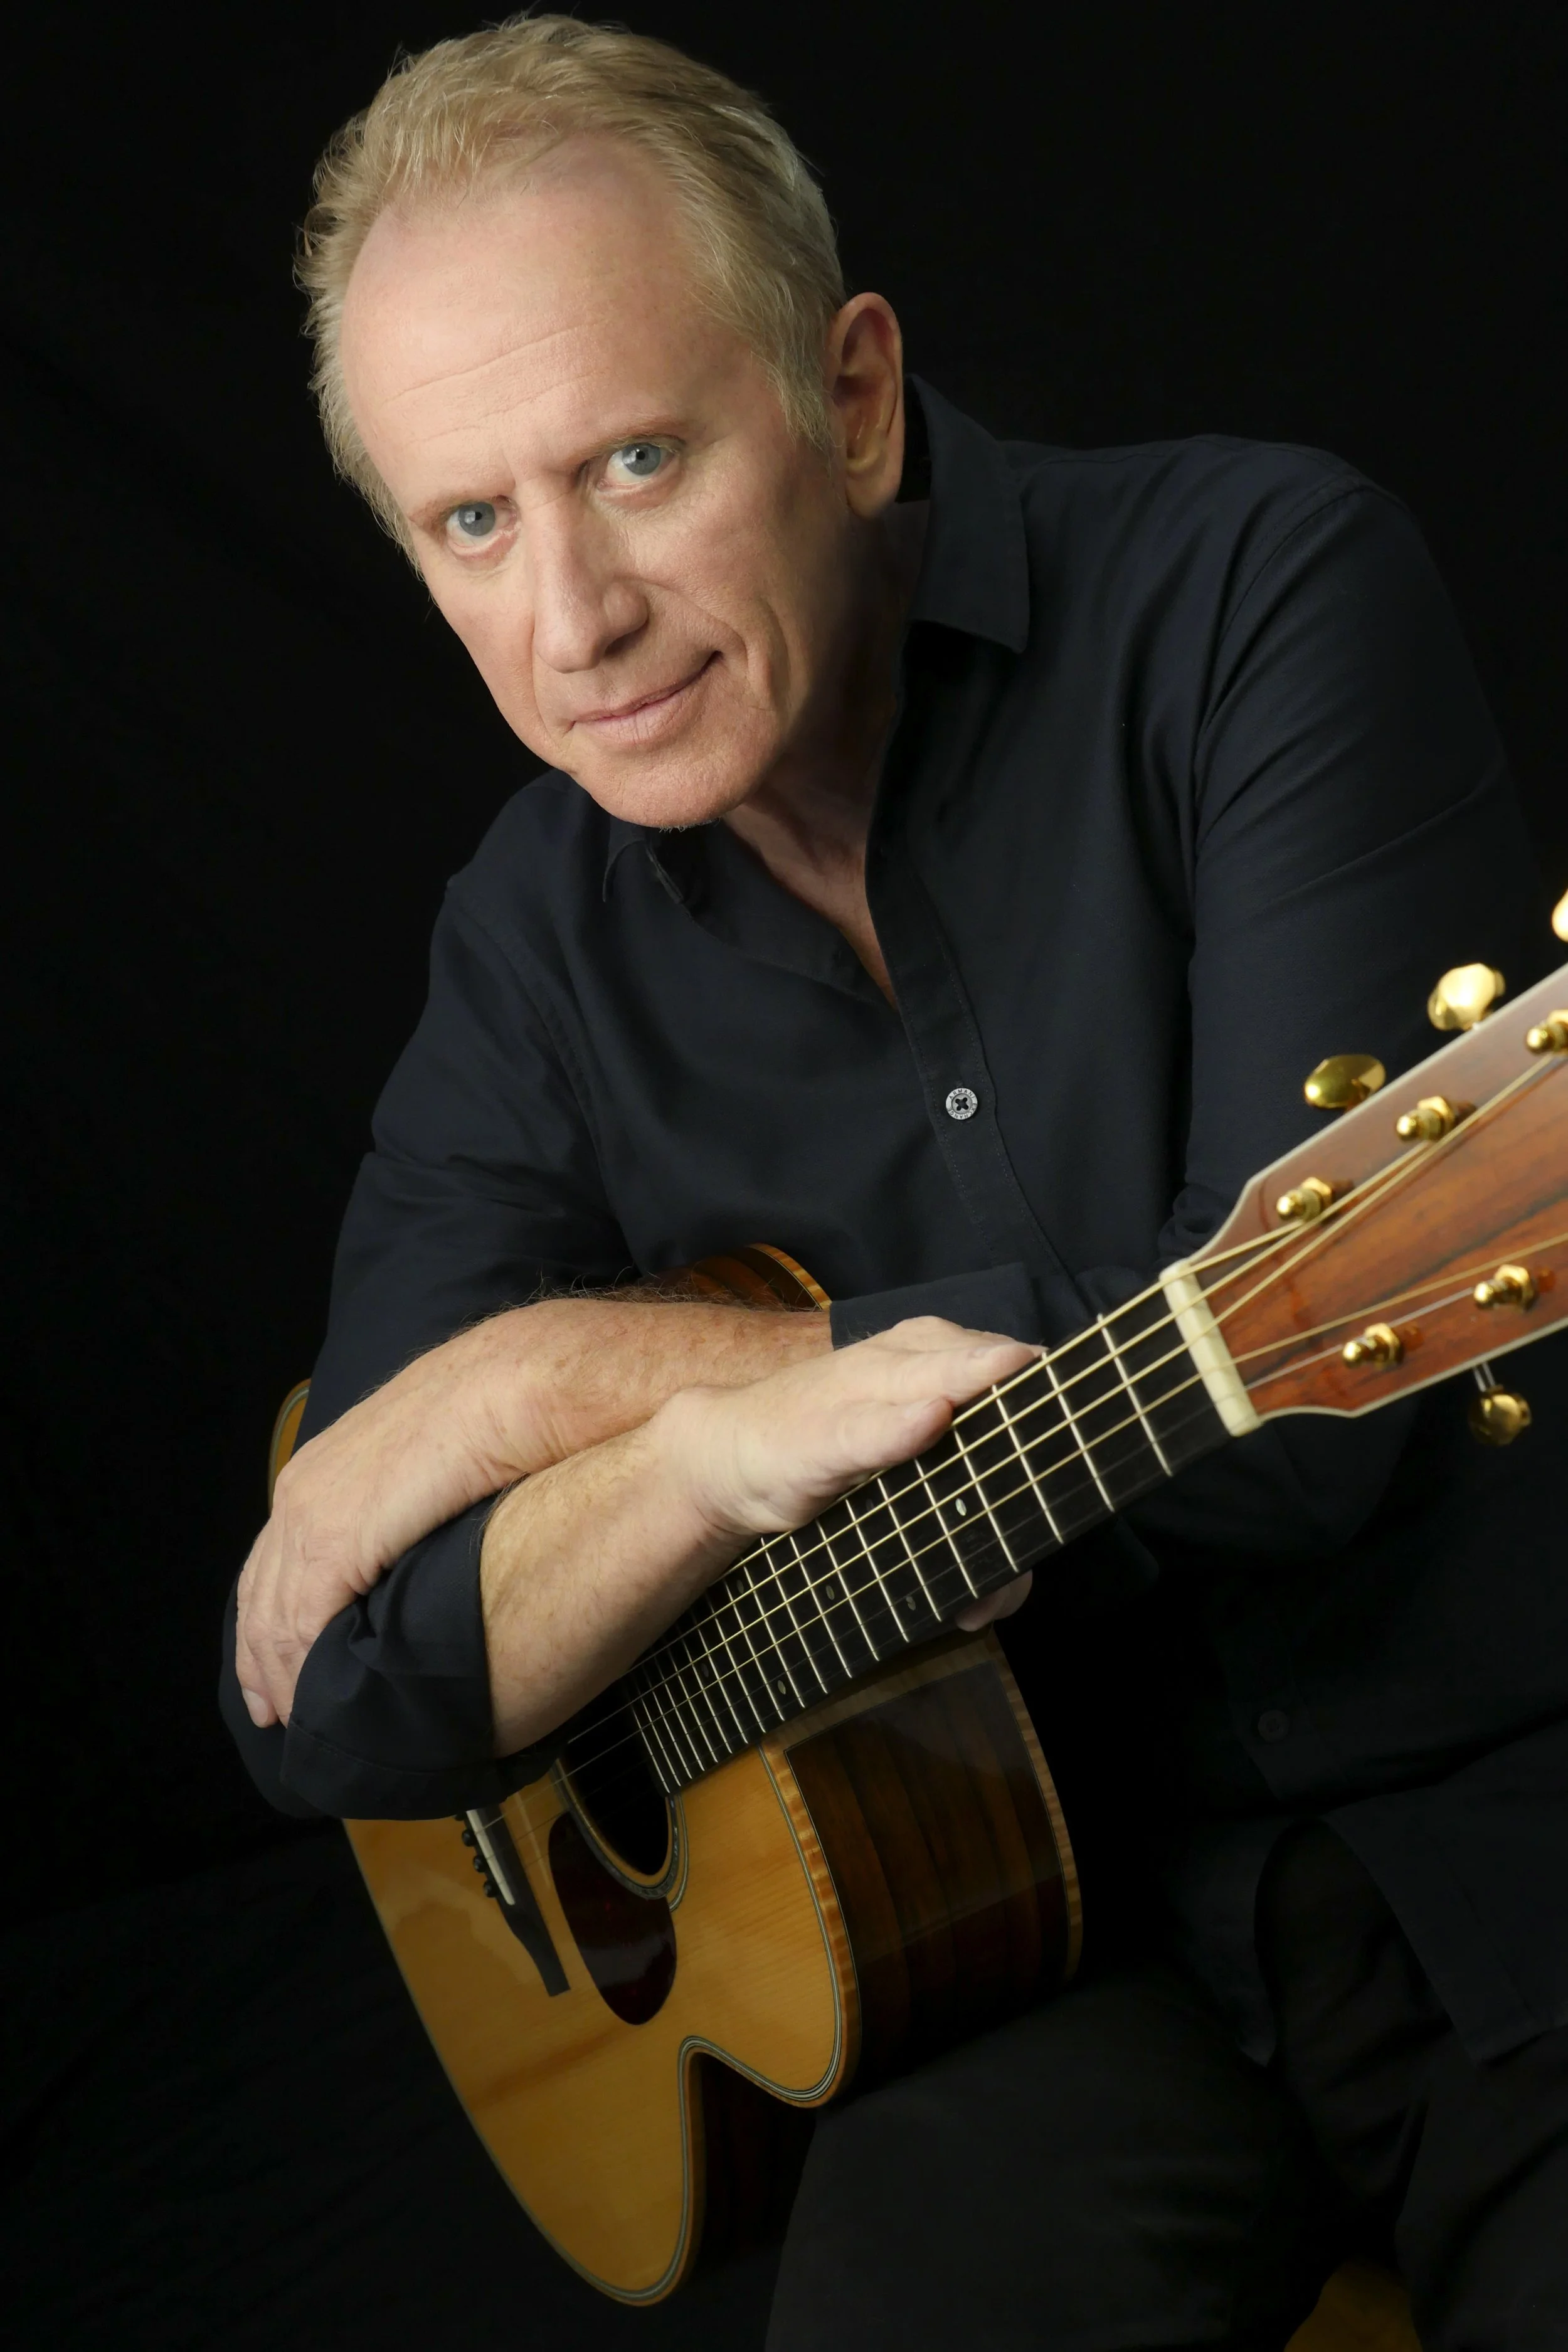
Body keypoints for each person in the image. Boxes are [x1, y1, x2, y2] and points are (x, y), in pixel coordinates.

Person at [221, 17, 1568, 2348]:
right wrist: (680, 1473)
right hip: (1069, 1945)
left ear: (846, 396)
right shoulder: (530, 948)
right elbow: (323, 1698)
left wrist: (578, 1377)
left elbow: (1317, 1440)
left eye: (634, 459)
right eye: (470, 522)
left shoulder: (1252, 593)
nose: (573, 620)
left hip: (1527, 1852)